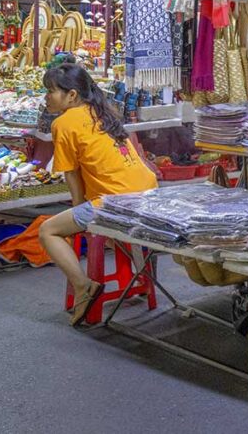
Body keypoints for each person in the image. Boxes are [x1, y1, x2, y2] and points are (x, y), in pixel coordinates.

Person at [38, 64, 158, 325]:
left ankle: (83, 286)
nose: (46, 97)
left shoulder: (64, 123)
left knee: (47, 231)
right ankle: (136, 278)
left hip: (117, 202)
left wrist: (80, 215)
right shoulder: (104, 111)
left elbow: (72, 176)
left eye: (51, 91)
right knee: (92, 225)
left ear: (71, 95)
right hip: (149, 191)